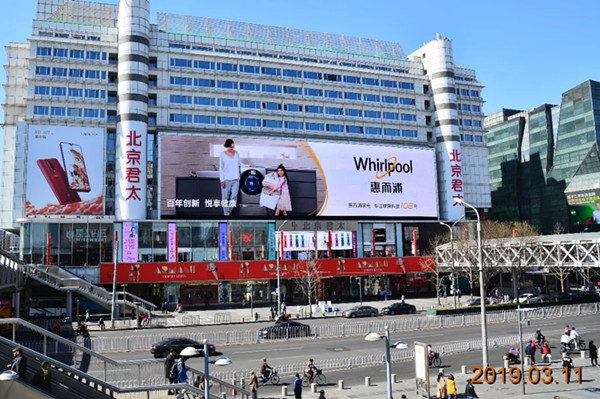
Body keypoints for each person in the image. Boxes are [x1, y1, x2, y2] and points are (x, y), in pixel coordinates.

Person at [219, 138, 246, 216]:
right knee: (225, 197)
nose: (232, 148)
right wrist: (222, 180)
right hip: (226, 179)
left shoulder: (236, 153)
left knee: (234, 196)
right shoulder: (222, 154)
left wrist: (249, 165)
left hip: (236, 179)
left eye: (233, 147)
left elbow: (240, 164)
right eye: (231, 147)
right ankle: (226, 214)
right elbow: (221, 168)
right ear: (227, 146)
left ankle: (229, 211)